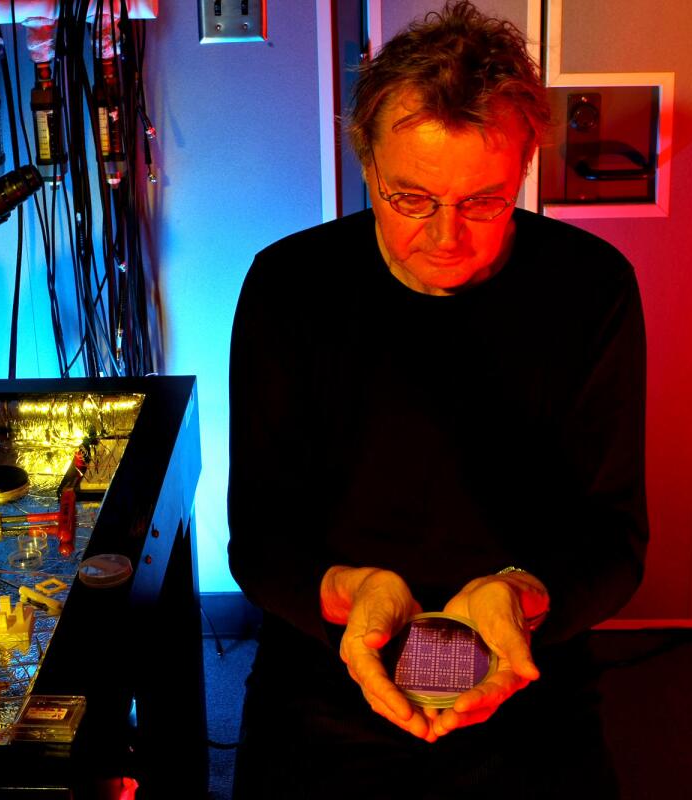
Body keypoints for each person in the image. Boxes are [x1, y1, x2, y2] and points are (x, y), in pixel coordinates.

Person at [226, 2, 649, 797]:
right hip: (331, 659)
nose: (445, 237)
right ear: (366, 164)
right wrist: (349, 591)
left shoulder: (592, 290)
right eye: (410, 198)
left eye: (483, 202)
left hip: (526, 655)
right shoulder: (289, 287)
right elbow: (258, 539)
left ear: (523, 170)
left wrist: (519, 595)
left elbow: (614, 538)